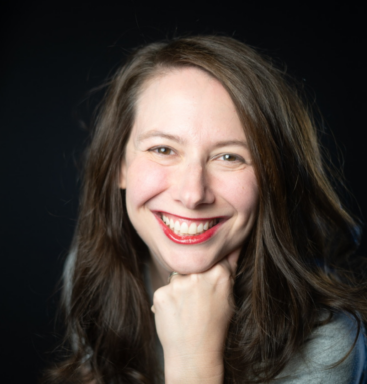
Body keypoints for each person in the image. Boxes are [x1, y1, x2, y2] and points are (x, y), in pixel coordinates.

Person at [49, 35, 367, 383]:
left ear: (272, 178)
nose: (192, 194)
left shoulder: (327, 343)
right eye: (163, 149)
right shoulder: (96, 272)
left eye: (229, 157)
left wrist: (193, 362)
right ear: (119, 166)